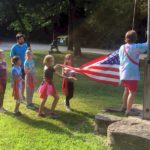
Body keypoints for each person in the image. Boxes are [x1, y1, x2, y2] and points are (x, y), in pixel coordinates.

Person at [119, 30, 148, 116]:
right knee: (132, 92)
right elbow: (147, 45)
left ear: (126, 38)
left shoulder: (122, 47)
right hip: (132, 74)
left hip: (123, 73)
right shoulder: (136, 47)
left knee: (126, 90)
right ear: (135, 39)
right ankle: (128, 110)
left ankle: (123, 107)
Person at [10, 33, 28, 99]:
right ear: (17, 40)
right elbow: (12, 58)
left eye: (23, 39)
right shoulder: (14, 47)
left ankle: (22, 95)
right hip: (17, 68)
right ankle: (16, 94)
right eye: (20, 39)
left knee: (23, 82)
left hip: (24, 67)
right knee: (17, 83)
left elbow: (28, 55)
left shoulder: (26, 46)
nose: (22, 40)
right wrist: (13, 66)